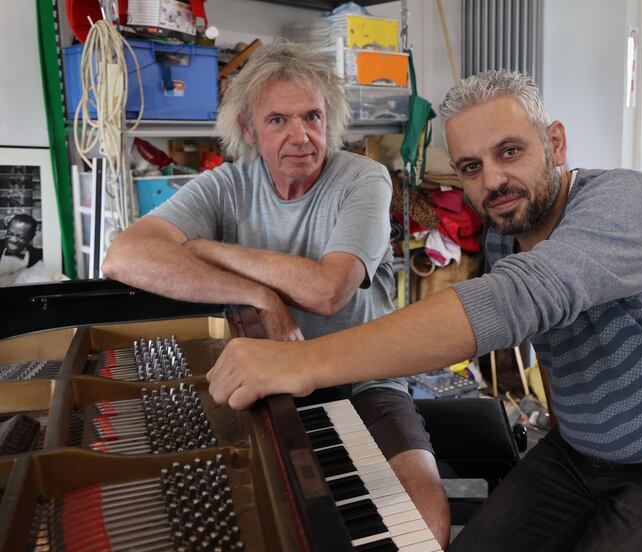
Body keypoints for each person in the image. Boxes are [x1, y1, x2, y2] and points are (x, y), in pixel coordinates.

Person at [207, 70, 642, 551]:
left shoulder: (627, 199)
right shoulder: (502, 237)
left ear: (556, 142)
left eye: (509, 152)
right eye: (471, 167)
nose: (492, 181)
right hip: (577, 456)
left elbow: (520, 298)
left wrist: (300, 363)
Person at [102, 43, 450, 546]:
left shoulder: (364, 179)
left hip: (364, 376)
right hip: (270, 376)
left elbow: (328, 291)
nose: (301, 135)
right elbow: (124, 257)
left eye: (312, 115)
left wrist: (206, 249)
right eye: (278, 120)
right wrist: (261, 297)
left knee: (424, 524)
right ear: (248, 131)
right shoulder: (225, 184)